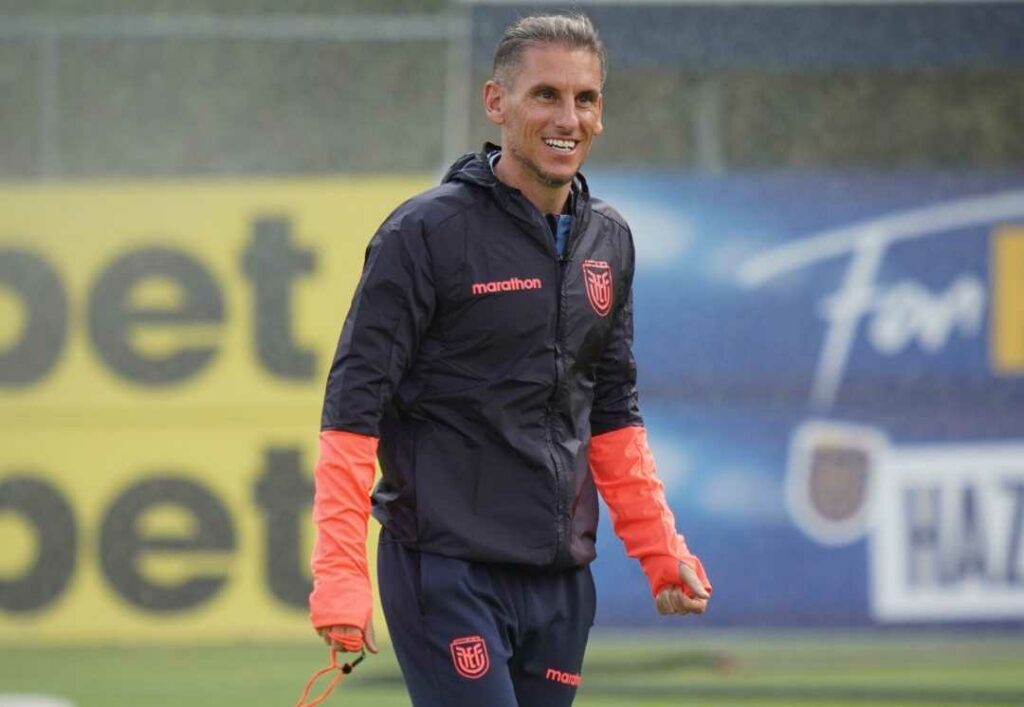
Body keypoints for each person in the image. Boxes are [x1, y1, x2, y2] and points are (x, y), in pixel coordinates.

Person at [308, 13, 711, 707]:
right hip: (445, 570)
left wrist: (658, 548)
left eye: (584, 98)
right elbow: (352, 413)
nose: (568, 117)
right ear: (497, 104)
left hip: (560, 583)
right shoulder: (424, 234)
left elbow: (613, 412)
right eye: (545, 95)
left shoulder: (609, 239)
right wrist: (339, 575)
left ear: (601, 112)